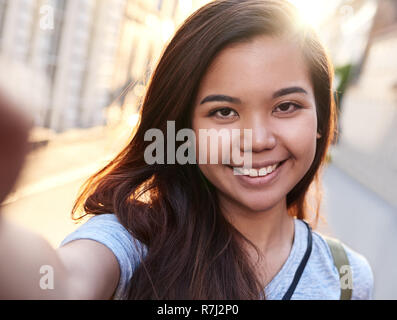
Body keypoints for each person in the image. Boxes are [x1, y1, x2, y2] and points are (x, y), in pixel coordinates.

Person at [0, 0, 374, 300]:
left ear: (321, 119)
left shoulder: (348, 278)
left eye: (286, 106)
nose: (258, 139)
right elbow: (62, 283)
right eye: (224, 112)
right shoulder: (134, 241)